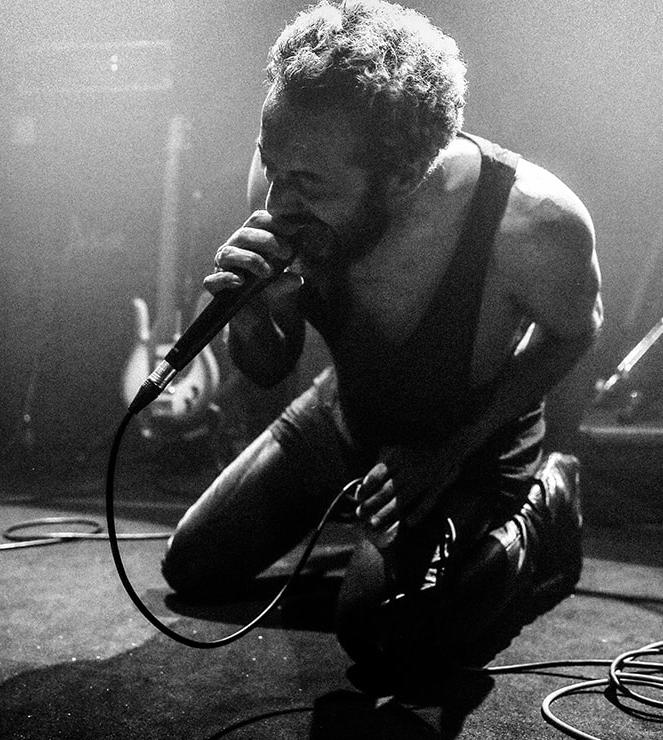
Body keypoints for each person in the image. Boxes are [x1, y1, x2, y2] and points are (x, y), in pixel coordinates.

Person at [162, 0, 603, 682]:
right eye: (271, 164)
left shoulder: (531, 220)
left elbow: (577, 331)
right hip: (349, 412)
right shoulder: (289, 172)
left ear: (403, 174)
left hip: (469, 440)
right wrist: (252, 317)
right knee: (191, 567)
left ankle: (546, 506)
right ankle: (410, 562)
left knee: (383, 638)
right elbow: (269, 367)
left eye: (306, 182)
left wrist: (453, 450)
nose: (276, 201)